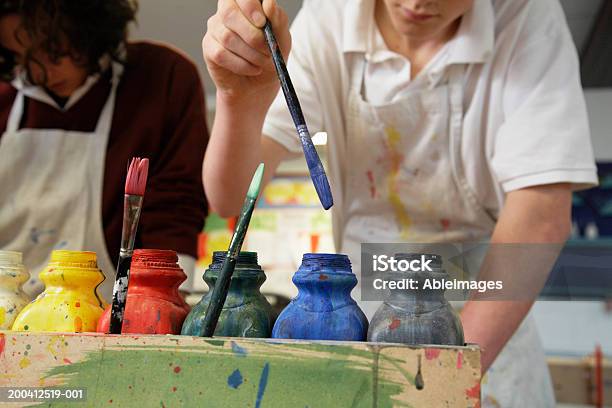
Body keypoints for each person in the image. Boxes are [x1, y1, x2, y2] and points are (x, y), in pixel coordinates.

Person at [202, 0, 598, 405]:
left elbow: (541, 216)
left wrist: (445, 376)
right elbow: (228, 196)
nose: (416, 3)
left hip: (485, 327)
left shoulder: (525, 15)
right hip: (358, 324)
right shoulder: (330, 17)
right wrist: (238, 100)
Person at [0, 0, 208, 298]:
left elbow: (175, 209)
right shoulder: (5, 94)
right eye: (21, 57)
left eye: (53, 53)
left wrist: (163, 301)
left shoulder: (162, 78)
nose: (39, 73)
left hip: (109, 318)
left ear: (87, 28)